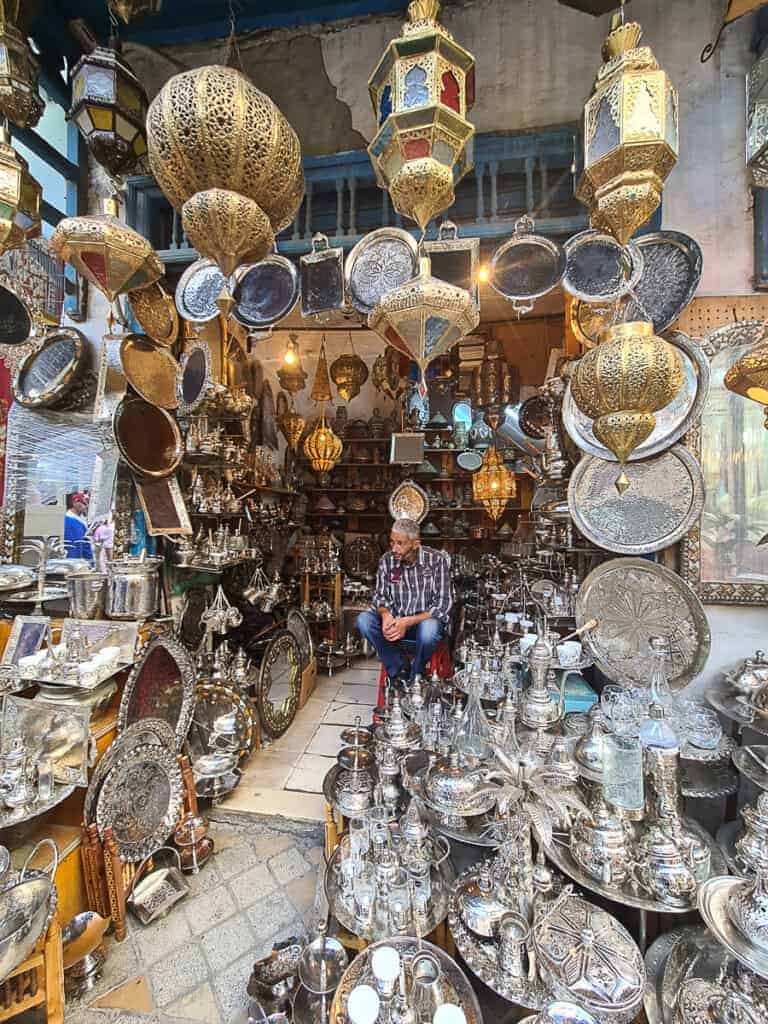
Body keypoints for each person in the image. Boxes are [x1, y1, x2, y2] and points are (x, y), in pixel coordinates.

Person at [356, 518, 452, 687]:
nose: (394, 549)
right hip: (395, 623)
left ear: (416, 544)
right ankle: (399, 668)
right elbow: (380, 596)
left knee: (430, 629)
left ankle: (416, 674)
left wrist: (408, 622)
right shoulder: (387, 560)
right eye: (392, 542)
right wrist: (385, 615)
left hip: (422, 624)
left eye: (400, 543)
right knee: (363, 620)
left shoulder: (436, 560)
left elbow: (443, 604)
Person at [63, 492, 93, 562]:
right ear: (75, 502)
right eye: (84, 503)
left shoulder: (80, 521)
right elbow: (76, 546)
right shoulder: (70, 521)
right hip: (73, 561)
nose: (86, 506)